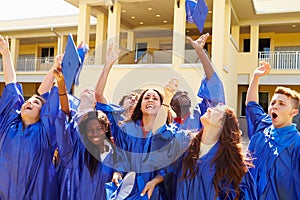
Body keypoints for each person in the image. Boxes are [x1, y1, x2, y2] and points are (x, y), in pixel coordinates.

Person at [0, 35, 60, 199]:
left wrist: (55, 71)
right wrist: (6, 53)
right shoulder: (8, 124)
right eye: (28, 100)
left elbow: (44, 94)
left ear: (43, 114)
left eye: (36, 103)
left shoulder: (45, 134)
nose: (30, 102)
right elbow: (11, 83)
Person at [245, 61, 300, 199]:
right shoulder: (262, 126)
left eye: (282, 104)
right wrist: (256, 77)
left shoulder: (296, 143)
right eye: (273, 103)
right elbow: (252, 104)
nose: (275, 106)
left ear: (294, 112)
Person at [170, 33, 225, 132]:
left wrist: (200, 51)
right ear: (172, 105)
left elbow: (214, 85)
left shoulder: (200, 114)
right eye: (178, 95)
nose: (183, 96)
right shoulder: (169, 128)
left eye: (185, 94)